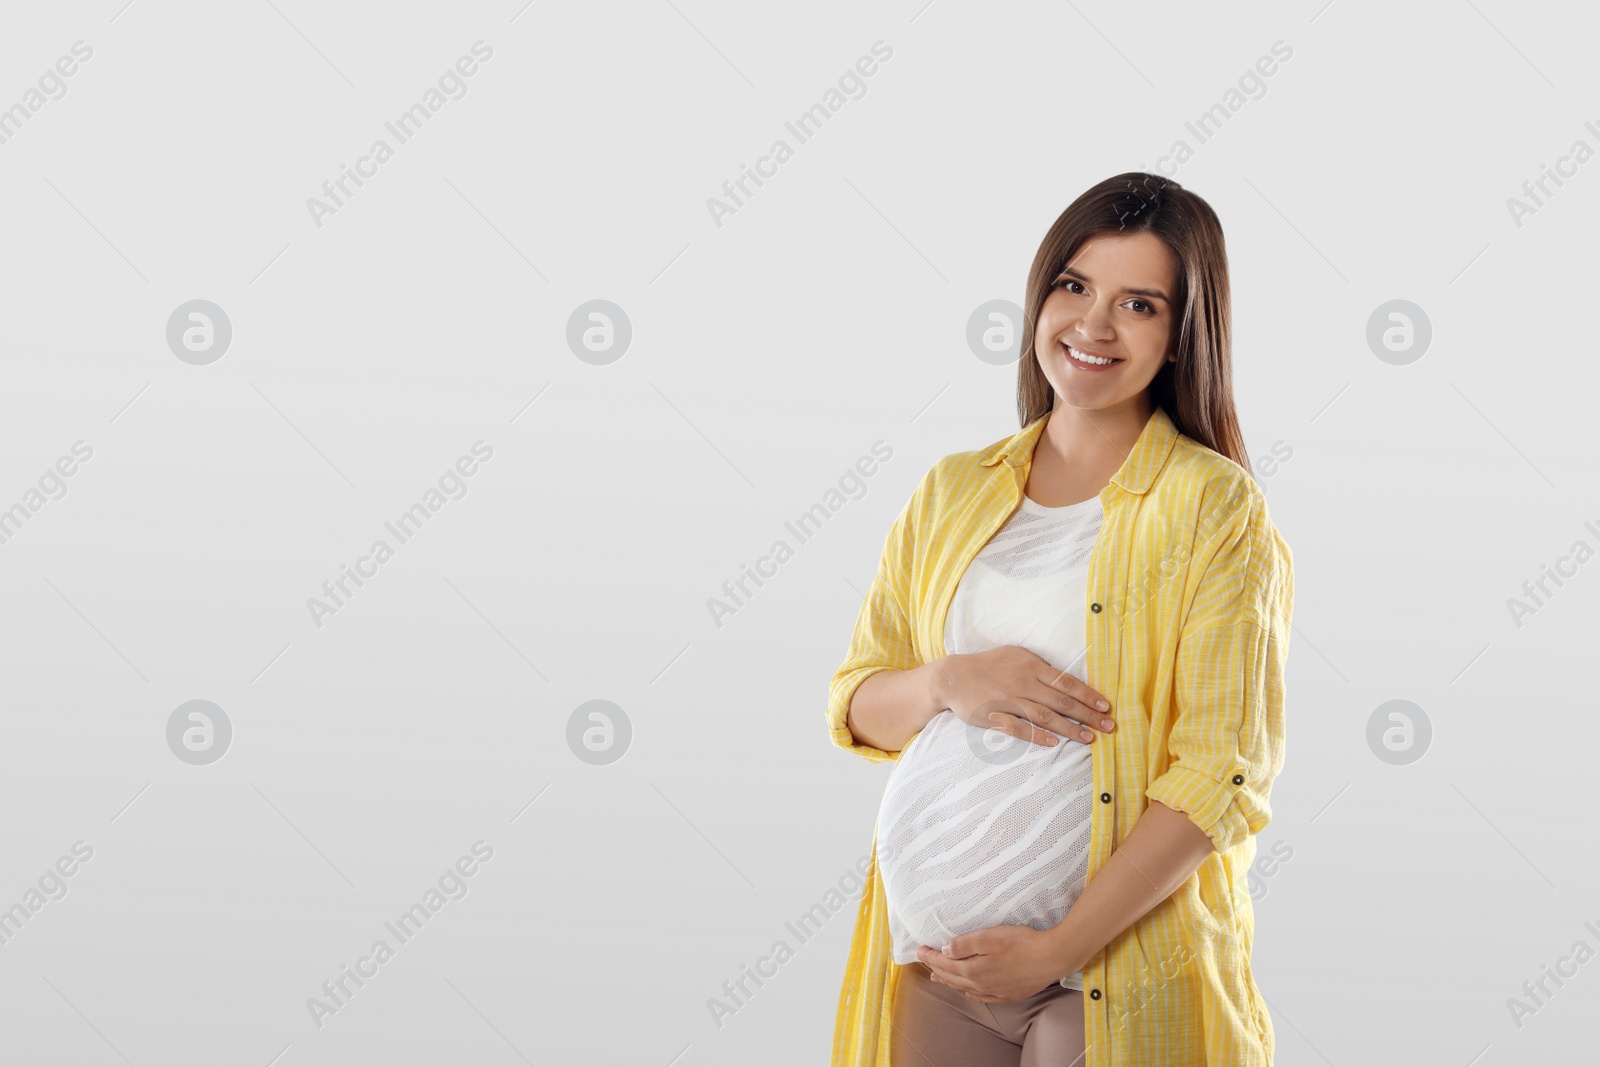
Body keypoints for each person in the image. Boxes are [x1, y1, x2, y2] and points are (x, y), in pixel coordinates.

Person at [825, 172, 1295, 1067]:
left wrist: (1057, 946)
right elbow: (855, 703)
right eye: (1074, 285)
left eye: (1139, 303)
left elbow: (1221, 771)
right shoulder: (954, 489)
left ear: (1181, 334)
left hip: (1112, 969)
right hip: (940, 968)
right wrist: (946, 682)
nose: (1093, 324)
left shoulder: (1214, 508)